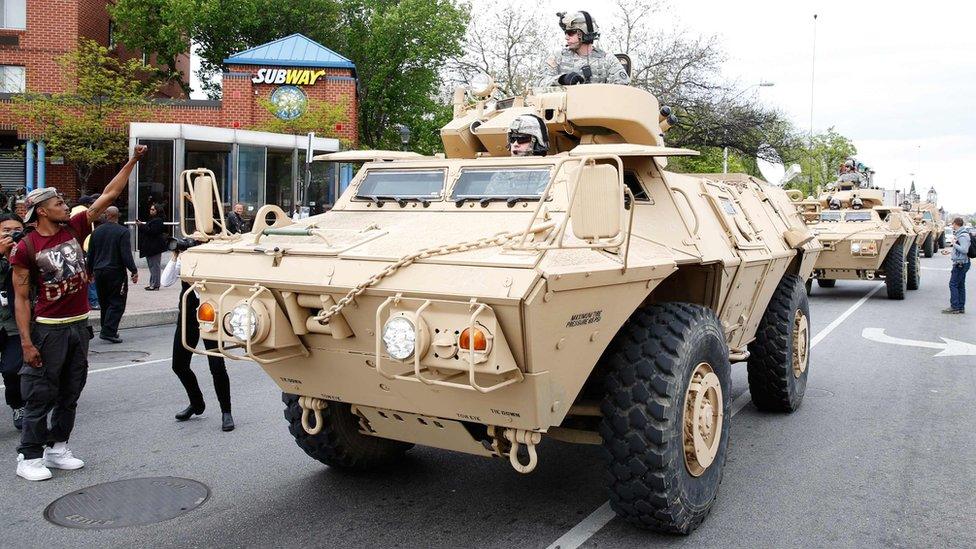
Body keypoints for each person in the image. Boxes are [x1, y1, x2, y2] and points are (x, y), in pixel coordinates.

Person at [10, 145, 147, 481]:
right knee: (40, 394)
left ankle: (58, 448)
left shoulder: (74, 228)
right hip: (48, 329)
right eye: (58, 203)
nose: (65, 206)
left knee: (71, 391)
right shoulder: (27, 247)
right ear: (41, 211)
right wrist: (27, 342)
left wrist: (131, 161)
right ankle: (29, 457)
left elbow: (111, 192)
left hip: (78, 327)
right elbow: (22, 298)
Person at [161, 250, 234, 431]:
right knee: (179, 364)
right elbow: (165, 281)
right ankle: (196, 403)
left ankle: (226, 412)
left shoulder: (214, 252)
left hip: (211, 315)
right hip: (187, 315)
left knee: (217, 366)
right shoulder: (186, 256)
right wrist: (176, 256)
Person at [538, 11, 630, 88]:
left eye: (570, 33)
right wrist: (562, 79)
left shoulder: (607, 60)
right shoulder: (558, 57)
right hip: (564, 108)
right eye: (566, 33)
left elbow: (622, 90)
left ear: (584, 34)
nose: (566, 37)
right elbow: (539, 83)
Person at [88, 206, 139, 343]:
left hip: (99, 271)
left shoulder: (96, 231)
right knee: (117, 302)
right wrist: (133, 270)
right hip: (115, 271)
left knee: (104, 302)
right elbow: (126, 254)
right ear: (117, 216)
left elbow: (91, 253)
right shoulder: (123, 232)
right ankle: (108, 331)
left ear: (107, 215)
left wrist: (89, 271)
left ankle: (108, 328)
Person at [0, 213, 25, 430]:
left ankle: (18, 405)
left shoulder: (25, 254)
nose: (11, 234)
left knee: (11, 369)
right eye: (6, 230)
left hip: (14, 325)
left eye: (16, 230)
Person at [71, 195, 100, 309]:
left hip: (75, 248)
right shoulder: (84, 213)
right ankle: (94, 301)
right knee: (90, 274)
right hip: (85, 247)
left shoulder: (73, 211)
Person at [941, 217, 971, 314]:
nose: (952, 225)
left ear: (955, 224)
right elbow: (960, 251)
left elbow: (964, 249)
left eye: (952, 224)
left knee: (953, 284)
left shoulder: (962, 235)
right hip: (962, 263)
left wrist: (954, 244)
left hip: (960, 264)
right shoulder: (962, 234)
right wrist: (950, 252)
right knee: (960, 285)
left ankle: (954, 307)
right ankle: (961, 307)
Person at [137, 202, 167, 291]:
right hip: (151, 247)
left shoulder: (158, 221)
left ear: (157, 210)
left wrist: (141, 226)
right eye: (150, 209)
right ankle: (152, 283)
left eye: (153, 209)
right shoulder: (153, 220)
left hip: (154, 247)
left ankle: (155, 285)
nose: (151, 210)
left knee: (155, 266)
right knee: (152, 266)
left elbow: (152, 231)